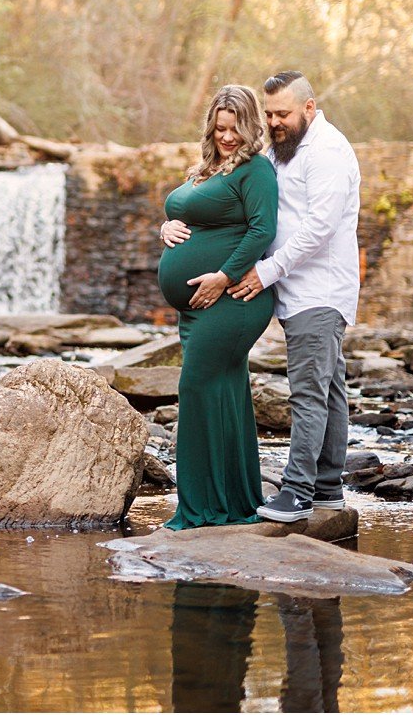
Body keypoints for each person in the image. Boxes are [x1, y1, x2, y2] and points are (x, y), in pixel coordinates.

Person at [225, 70, 361, 523]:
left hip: (319, 292)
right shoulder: (282, 149)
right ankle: (328, 489)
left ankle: (299, 492)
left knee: (307, 393)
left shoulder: (326, 152)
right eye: (268, 114)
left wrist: (265, 272)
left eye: (282, 113)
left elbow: (318, 229)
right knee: (330, 390)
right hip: (300, 291)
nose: (273, 122)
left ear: (308, 107)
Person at [154, 84, 278, 528]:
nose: (227, 137)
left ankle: (201, 508)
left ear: (251, 127)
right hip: (199, 307)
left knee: (196, 387)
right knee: (225, 391)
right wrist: (167, 227)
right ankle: (234, 501)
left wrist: (223, 277)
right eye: (220, 128)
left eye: (235, 129)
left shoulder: (256, 170)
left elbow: (262, 231)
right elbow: (187, 214)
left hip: (233, 300)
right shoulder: (206, 169)